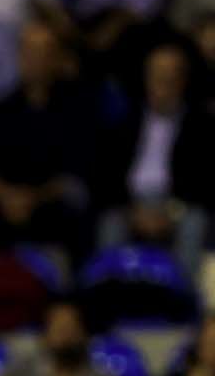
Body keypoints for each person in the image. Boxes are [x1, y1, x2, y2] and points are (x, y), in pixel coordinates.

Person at [0, 22, 94, 255]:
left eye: (45, 53)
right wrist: (8, 197)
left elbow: (76, 172)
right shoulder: (2, 109)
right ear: (20, 57)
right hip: (6, 202)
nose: (37, 60)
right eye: (31, 52)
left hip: (51, 202)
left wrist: (33, 198)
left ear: (57, 59)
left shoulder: (78, 109)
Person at [92, 43, 214, 278]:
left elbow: (204, 183)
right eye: (157, 76)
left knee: (195, 222)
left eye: (170, 78)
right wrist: (132, 211)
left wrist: (171, 213)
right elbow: (105, 176)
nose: (163, 85)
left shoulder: (201, 126)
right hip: (131, 203)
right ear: (146, 79)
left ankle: (181, 294)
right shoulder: (124, 123)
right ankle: (107, 291)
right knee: (110, 222)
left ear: (183, 81)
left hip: (177, 206)